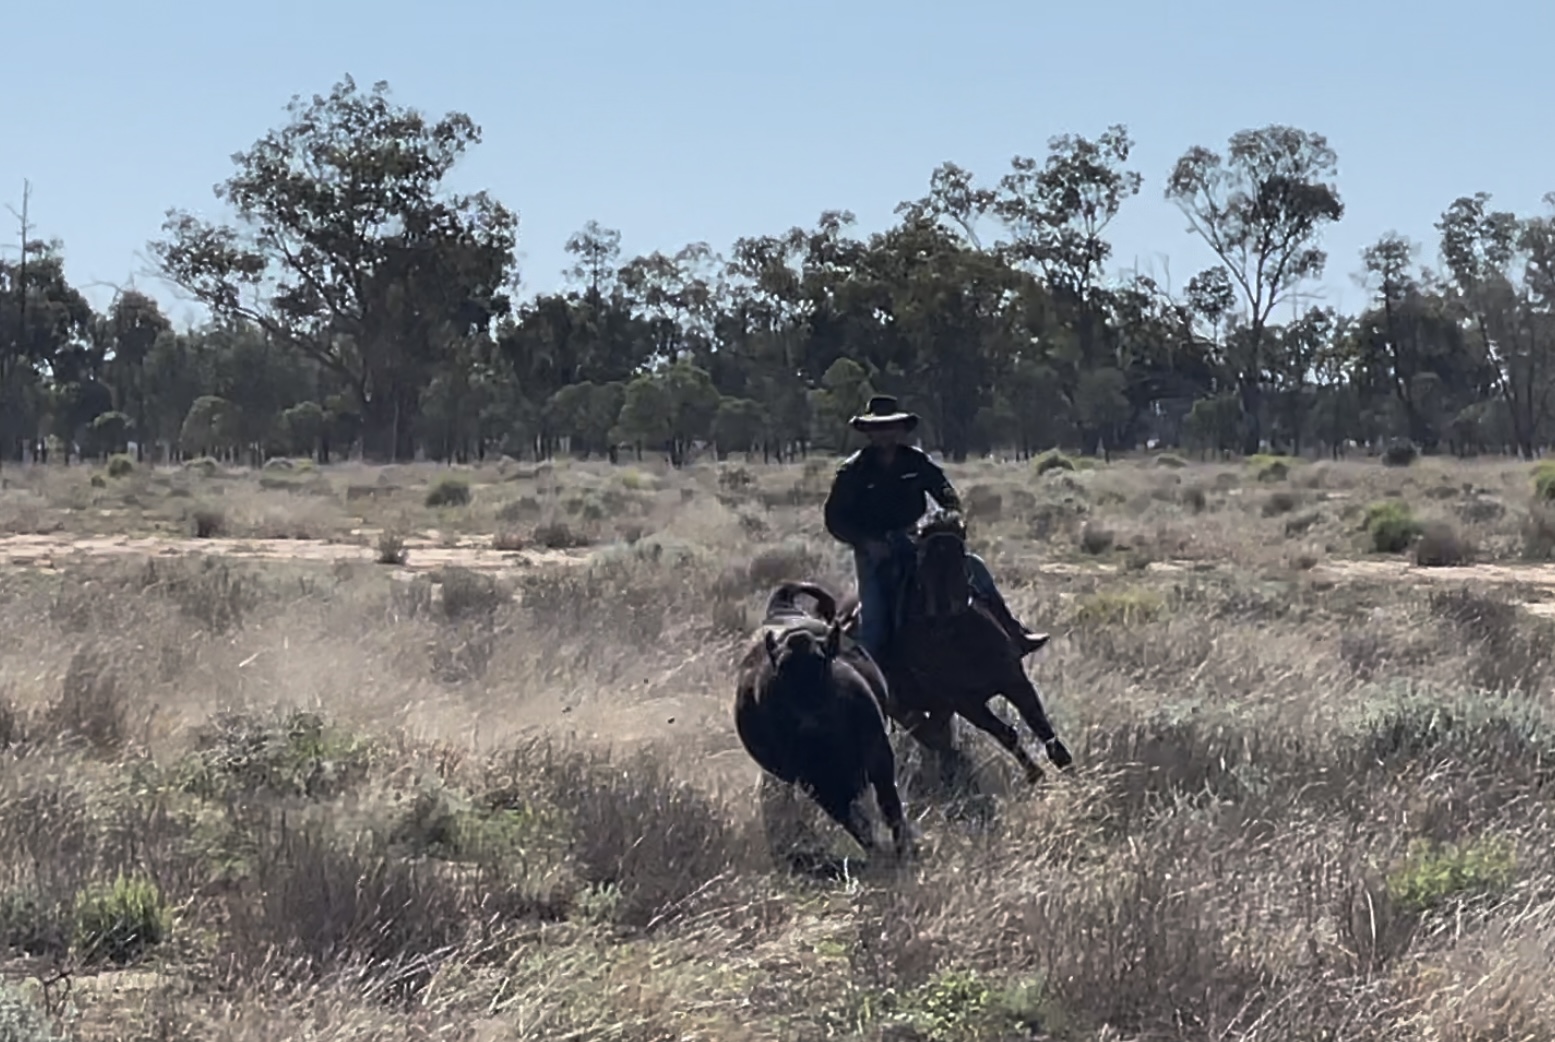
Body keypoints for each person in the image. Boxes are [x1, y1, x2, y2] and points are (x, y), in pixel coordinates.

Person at [822, 394, 1049, 663]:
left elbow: (945, 492)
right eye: (879, 428)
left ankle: (1014, 632)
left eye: (891, 427)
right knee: (874, 620)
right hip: (874, 550)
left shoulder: (916, 461)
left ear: (901, 430)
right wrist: (866, 542)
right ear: (869, 432)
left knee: (974, 569)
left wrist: (950, 519)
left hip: (916, 539)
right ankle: (871, 674)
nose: (885, 434)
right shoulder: (853, 471)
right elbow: (835, 518)